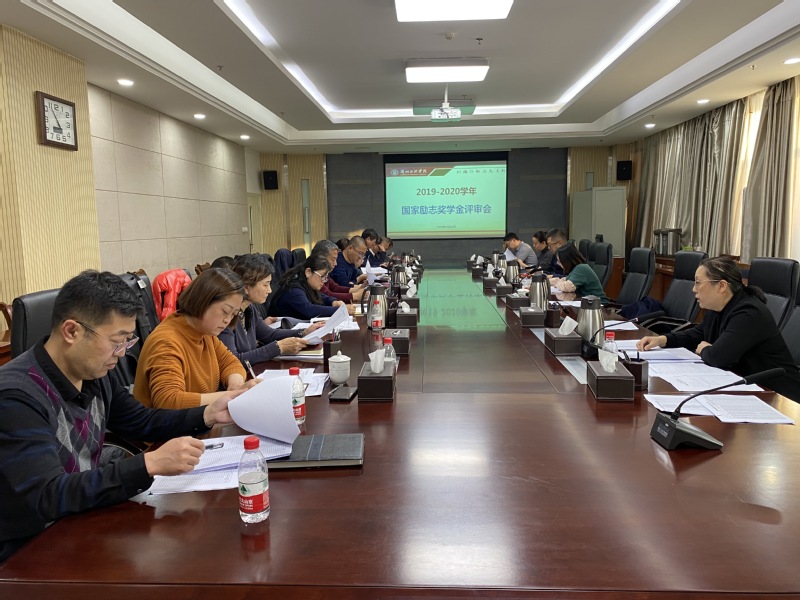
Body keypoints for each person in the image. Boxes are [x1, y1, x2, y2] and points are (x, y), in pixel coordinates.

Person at [0, 270, 241, 562]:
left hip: (81, 520)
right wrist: (148, 464)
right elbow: (47, 495)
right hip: (30, 552)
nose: (121, 353)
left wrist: (207, 414)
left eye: (128, 340)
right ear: (72, 331)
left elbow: (141, 421)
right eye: (118, 341)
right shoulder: (17, 397)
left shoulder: (95, 374)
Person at [637, 256, 800, 401]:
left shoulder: (749, 312)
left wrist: (705, 349)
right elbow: (697, 334)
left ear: (721, 286)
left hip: (780, 396)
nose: (693, 289)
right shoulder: (719, 307)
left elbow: (719, 357)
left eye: (698, 283)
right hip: (748, 389)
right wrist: (663, 340)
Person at [134, 268, 251, 409]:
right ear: (203, 301)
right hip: (167, 422)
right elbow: (169, 401)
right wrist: (232, 395)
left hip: (195, 419)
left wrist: (236, 384)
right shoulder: (166, 342)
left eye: (233, 314)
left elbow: (230, 363)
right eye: (225, 311)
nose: (228, 320)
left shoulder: (204, 333)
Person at [219, 254, 324, 366]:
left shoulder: (249, 309)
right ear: (246, 286)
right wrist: (278, 347)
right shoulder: (226, 317)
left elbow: (269, 335)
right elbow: (234, 360)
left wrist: (304, 332)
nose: (269, 290)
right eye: (266, 285)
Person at [269, 254, 352, 319]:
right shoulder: (293, 289)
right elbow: (309, 310)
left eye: (325, 278)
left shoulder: (305, 282)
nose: (323, 281)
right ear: (308, 272)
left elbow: (320, 296)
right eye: (322, 277)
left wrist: (333, 302)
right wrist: (340, 310)